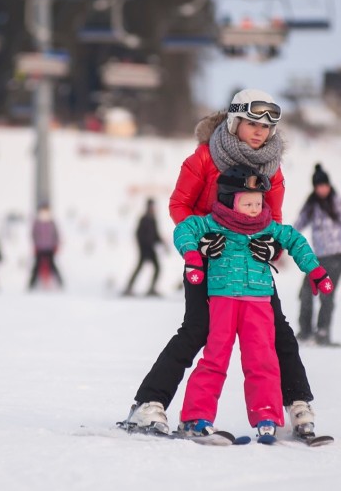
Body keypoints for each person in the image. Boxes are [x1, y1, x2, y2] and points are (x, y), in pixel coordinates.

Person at [125, 88, 320, 439]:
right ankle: (148, 404)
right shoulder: (204, 158)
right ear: (234, 121)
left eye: (267, 126)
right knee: (197, 329)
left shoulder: (272, 170)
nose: (260, 132)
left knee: (278, 332)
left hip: (251, 265)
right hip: (208, 258)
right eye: (251, 123)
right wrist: (199, 245)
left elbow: (273, 220)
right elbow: (179, 206)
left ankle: (298, 403)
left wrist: (270, 249)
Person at [174, 166, 334, 438]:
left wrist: (315, 271)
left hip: (258, 303)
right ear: (228, 201)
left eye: (258, 203)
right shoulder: (212, 223)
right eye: (247, 203)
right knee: (215, 358)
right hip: (223, 300)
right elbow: (184, 229)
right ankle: (196, 416)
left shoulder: (267, 227)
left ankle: (267, 417)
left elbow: (296, 241)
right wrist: (193, 256)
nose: (253, 209)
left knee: (262, 359)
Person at [293, 164, 341, 346]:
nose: (322, 189)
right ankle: (305, 331)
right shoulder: (311, 204)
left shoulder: (337, 202)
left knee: (326, 293)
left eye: (325, 185)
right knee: (306, 291)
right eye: (319, 186)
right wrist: (286, 238)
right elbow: (299, 222)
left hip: (339, 255)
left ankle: (323, 332)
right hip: (319, 258)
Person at [122, 198, 164, 297]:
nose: (153, 208)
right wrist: (142, 247)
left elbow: (156, 234)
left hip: (151, 249)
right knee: (139, 267)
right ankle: (129, 288)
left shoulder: (153, 219)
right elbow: (138, 234)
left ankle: (151, 288)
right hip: (144, 249)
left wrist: (162, 242)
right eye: (151, 206)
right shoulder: (144, 219)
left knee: (157, 268)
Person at [29, 203, 63, 290]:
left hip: (50, 248)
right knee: (36, 267)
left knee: (52, 266)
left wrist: (56, 245)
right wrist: (35, 245)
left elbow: (56, 235)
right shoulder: (37, 223)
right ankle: (31, 286)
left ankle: (60, 284)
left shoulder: (52, 222)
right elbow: (33, 234)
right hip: (40, 247)